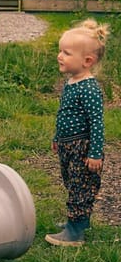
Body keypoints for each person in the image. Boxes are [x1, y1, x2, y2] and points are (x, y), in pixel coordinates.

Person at [45, 18, 109, 247]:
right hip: (67, 144)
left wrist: (95, 153)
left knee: (81, 186)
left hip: (82, 148)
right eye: (60, 51)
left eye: (66, 53)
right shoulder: (71, 81)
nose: (59, 56)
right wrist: (57, 138)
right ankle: (78, 222)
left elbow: (97, 123)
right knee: (72, 183)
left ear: (87, 61)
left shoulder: (90, 88)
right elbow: (64, 114)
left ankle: (75, 233)